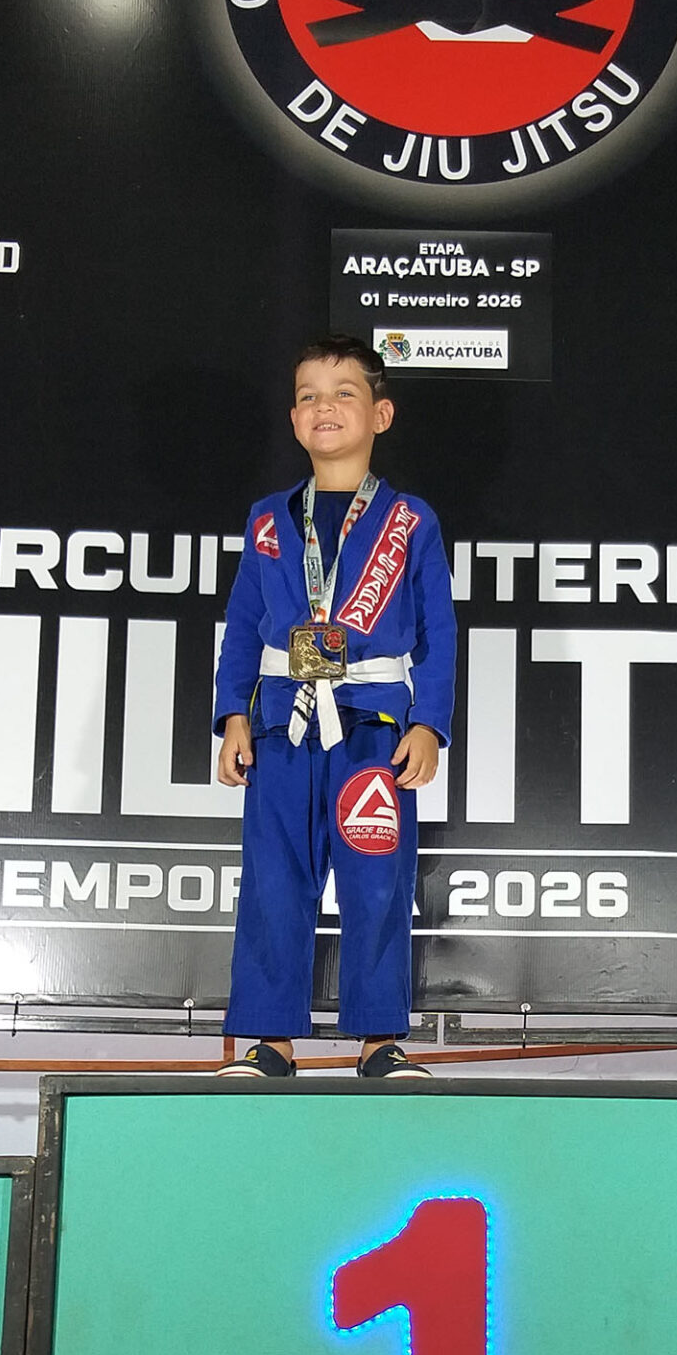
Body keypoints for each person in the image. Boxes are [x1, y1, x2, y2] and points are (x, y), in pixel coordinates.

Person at [212, 336, 456, 1078]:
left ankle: (380, 1040)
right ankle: (269, 1040)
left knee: (377, 881)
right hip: (282, 723)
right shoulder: (268, 520)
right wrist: (232, 713)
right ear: (293, 420)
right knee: (273, 879)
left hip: (372, 726)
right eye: (309, 396)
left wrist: (429, 723)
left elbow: (439, 628)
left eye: (345, 393)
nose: (325, 407)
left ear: (381, 414)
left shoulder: (410, 520)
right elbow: (242, 625)